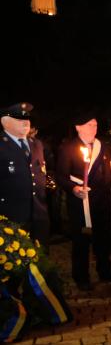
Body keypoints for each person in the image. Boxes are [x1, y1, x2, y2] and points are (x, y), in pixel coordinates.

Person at [55, 112, 111, 291]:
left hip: (102, 200)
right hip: (81, 201)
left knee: (104, 238)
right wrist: (74, 188)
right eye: (90, 125)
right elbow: (61, 176)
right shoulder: (68, 148)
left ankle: (105, 271)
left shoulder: (103, 146)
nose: (94, 128)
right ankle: (81, 277)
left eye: (95, 125)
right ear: (78, 127)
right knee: (81, 240)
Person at [0, 103, 49, 244]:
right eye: (19, 119)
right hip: (11, 216)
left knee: (41, 254)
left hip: (39, 214)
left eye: (27, 119)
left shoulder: (37, 144)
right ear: (5, 122)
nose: (26, 122)